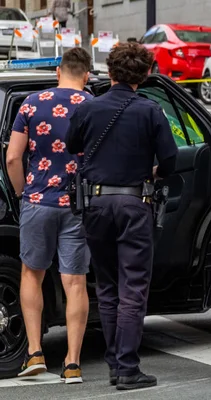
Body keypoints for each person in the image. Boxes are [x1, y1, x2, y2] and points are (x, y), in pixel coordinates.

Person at [65, 42, 178, 390]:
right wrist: (153, 172)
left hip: (96, 204)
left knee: (109, 286)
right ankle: (128, 368)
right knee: (133, 287)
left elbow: (72, 145)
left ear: (110, 73)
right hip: (134, 203)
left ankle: (116, 362)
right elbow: (171, 160)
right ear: (145, 74)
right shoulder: (150, 111)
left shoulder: (89, 108)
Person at [7, 47, 93, 384]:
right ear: (86, 75)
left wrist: (21, 192)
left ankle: (34, 352)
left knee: (32, 274)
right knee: (75, 281)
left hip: (37, 201)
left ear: (59, 71)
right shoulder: (93, 106)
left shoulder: (31, 103)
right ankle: (72, 363)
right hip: (77, 203)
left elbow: (14, 158)